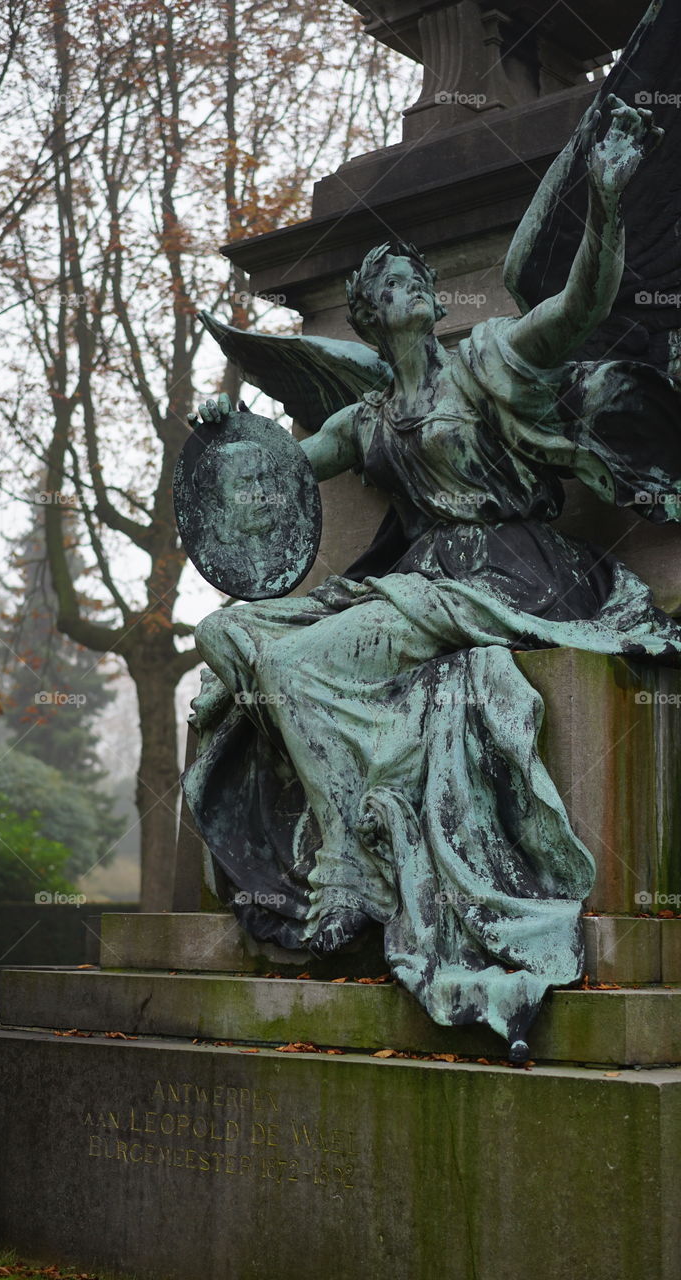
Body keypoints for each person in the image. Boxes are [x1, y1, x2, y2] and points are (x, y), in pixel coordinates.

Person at [185, 98, 681, 1059]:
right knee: (232, 635)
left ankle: (348, 861)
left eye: (417, 276)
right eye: (392, 281)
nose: (412, 285)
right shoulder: (369, 419)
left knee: (296, 669)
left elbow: (578, 306)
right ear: (372, 313)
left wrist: (609, 203)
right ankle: (359, 803)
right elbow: (280, 477)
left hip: (510, 573)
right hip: (422, 581)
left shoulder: (489, 361)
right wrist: (224, 430)